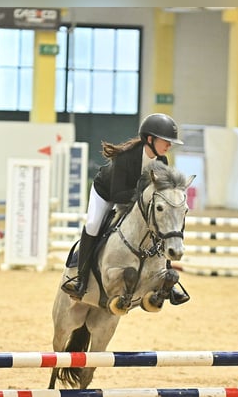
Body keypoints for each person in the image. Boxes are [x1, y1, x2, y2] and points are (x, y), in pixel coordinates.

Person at [61, 113, 190, 305]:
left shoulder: (161, 162)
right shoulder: (125, 158)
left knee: (159, 227)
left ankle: (167, 282)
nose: (169, 145)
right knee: (93, 225)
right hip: (106, 193)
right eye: (166, 141)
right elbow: (117, 195)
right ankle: (80, 279)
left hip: (136, 202)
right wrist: (144, 199)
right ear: (150, 139)